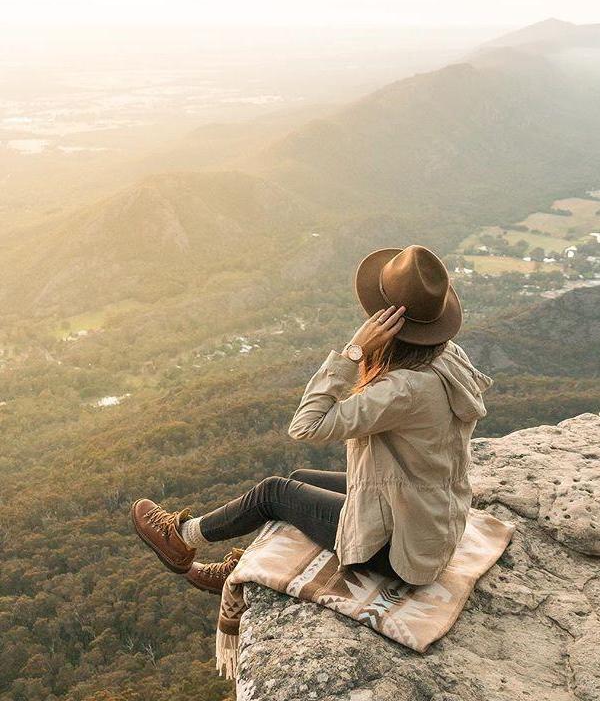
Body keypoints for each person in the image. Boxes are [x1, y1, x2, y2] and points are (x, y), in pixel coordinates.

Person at [131, 244, 493, 593]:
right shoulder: (447, 356)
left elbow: (306, 425)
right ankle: (240, 569)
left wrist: (353, 353)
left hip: (402, 551)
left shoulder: (405, 389)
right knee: (300, 480)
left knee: (274, 493)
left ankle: (182, 538)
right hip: (429, 518)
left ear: (387, 322)